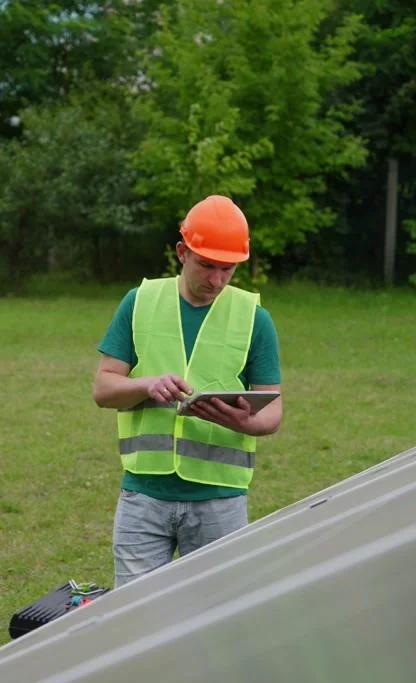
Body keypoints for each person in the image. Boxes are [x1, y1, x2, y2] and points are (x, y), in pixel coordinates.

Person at [93, 195, 282, 587]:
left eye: (227, 269)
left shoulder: (255, 319)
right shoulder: (139, 301)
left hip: (221, 499)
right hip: (143, 496)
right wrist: (146, 384)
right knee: (136, 619)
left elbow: (273, 413)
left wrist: (243, 421)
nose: (216, 280)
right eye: (206, 265)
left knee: (214, 623)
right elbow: (104, 388)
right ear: (182, 252)